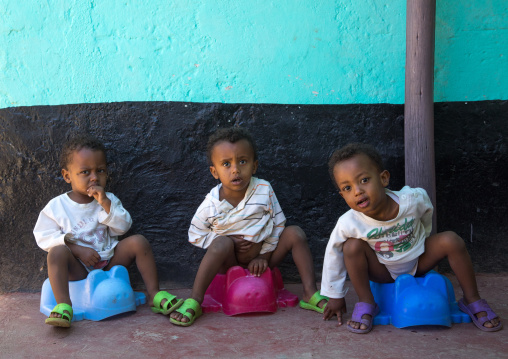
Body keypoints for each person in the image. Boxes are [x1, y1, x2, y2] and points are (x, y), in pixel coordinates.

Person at [321, 143, 502, 333]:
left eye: (364, 180)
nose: (357, 191)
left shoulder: (413, 199)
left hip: (419, 261)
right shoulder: (348, 222)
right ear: (342, 195)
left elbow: (425, 217)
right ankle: (367, 302)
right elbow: (333, 256)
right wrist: (335, 296)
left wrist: (420, 242)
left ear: (383, 178)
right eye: (348, 188)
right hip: (382, 270)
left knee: (451, 240)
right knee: (351, 247)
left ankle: (471, 299)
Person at [169, 127, 327, 326]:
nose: (235, 169)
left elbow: (278, 223)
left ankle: (310, 292)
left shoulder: (263, 189)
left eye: (242, 161)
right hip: (231, 262)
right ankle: (195, 300)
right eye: (226, 164)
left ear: (254, 166)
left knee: (295, 233)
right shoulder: (211, 204)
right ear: (214, 172)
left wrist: (264, 255)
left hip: (265, 257)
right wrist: (229, 241)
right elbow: (195, 234)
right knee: (221, 244)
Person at [34, 135, 182, 327]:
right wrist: (76, 249)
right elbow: (43, 236)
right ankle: (64, 305)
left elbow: (123, 226)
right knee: (56, 252)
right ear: (67, 175)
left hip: (109, 263)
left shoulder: (108, 199)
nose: (94, 177)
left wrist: (105, 204)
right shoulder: (57, 206)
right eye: (85, 172)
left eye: (100, 171)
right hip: (78, 269)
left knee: (138, 242)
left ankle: (155, 294)